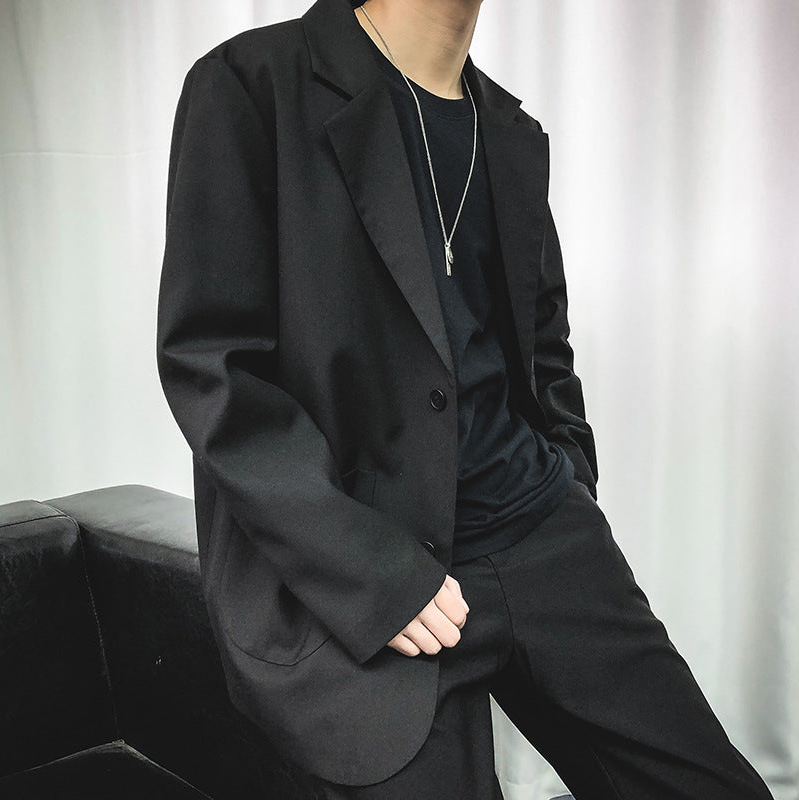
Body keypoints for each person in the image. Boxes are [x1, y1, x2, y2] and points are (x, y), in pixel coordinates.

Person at [156, 0, 775, 797]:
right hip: (370, 573)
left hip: (539, 531)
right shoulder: (250, 86)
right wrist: (374, 575)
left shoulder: (510, 132)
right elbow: (214, 369)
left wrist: (569, 480)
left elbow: (542, 344)